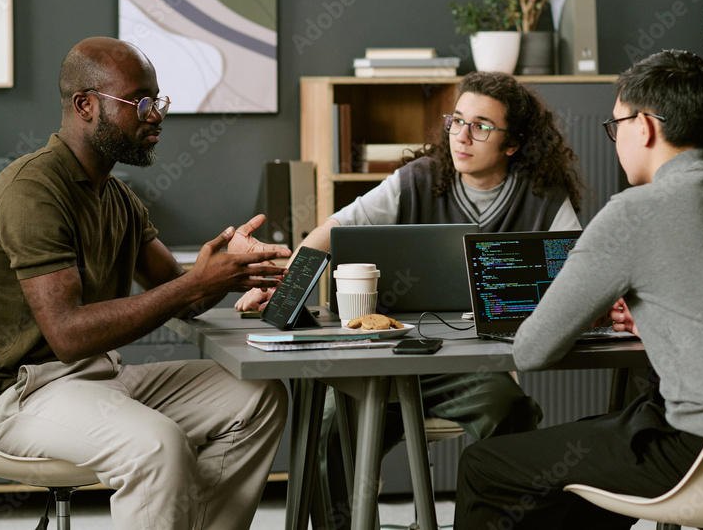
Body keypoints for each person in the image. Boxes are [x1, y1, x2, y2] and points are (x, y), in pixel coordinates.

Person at [452, 50, 703, 528]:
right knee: (594, 442)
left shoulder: (632, 212)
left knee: (485, 465)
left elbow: (534, 349)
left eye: (615, 125)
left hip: (700, 454)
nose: (616, 138)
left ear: (644, 127)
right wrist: (657, 313)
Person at [0, 37, 290, 530]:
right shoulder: (31, 191)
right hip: (23, 395)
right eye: (140, 102)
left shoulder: (117, 197)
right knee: (158, 446)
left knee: (258, 396)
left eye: (158, 101)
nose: (156, 115)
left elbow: (180, 295)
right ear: (85, 105)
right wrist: (195, 283)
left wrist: (226, 273)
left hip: (98, 379)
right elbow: (68, 335)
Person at [236, 70, 583, 528]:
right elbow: (330, 232)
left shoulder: (543, 199)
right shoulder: (417, 180)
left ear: (513, 143)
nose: (462, 136)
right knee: (328, 428)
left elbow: (578, 276)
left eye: (481, 126)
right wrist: (283, 290)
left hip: (470, 370)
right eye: (456, 121)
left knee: (511, 409)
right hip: (383, 360)